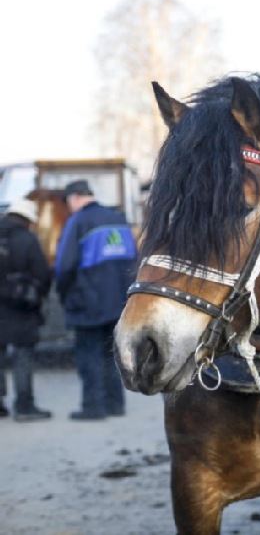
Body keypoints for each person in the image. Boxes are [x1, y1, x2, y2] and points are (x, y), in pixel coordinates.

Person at [55, 180, 137, 420]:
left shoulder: (78, 222)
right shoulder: (118, 219)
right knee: (112, 353)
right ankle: (115, 404)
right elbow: (134, 259)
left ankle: (93, 407)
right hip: (119, 301)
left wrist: (64, 293)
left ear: (73, 198)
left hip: (88, 303)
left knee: (89, 355)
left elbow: (65, 266)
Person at [0, 198, 53, 421]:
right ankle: (24, 406)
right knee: (23, 357)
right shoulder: (28, 239)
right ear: (27, 219)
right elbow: (42, 273)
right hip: (22, 308)